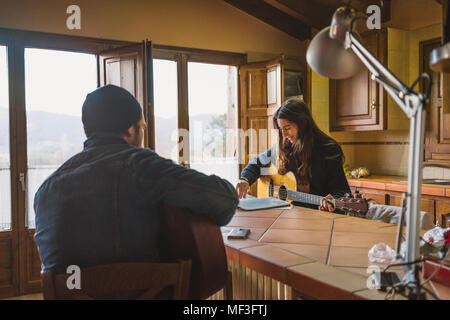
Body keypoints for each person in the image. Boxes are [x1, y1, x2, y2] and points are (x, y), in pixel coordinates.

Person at [34, 84, 239, 274]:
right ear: (131, 129)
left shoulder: (46, 190)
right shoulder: (140, 165)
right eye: (143, 127)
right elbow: (225, 199)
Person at [236, 98, 351, 212]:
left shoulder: (329, 150)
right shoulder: (285, 146)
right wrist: (245, 180)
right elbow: (257, 163)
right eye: (281, 129)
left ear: (303, 124)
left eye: (287, 128)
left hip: (316, 217)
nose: (284, 134)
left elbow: (342, 192)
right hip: (288, 216)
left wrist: (331, 203)